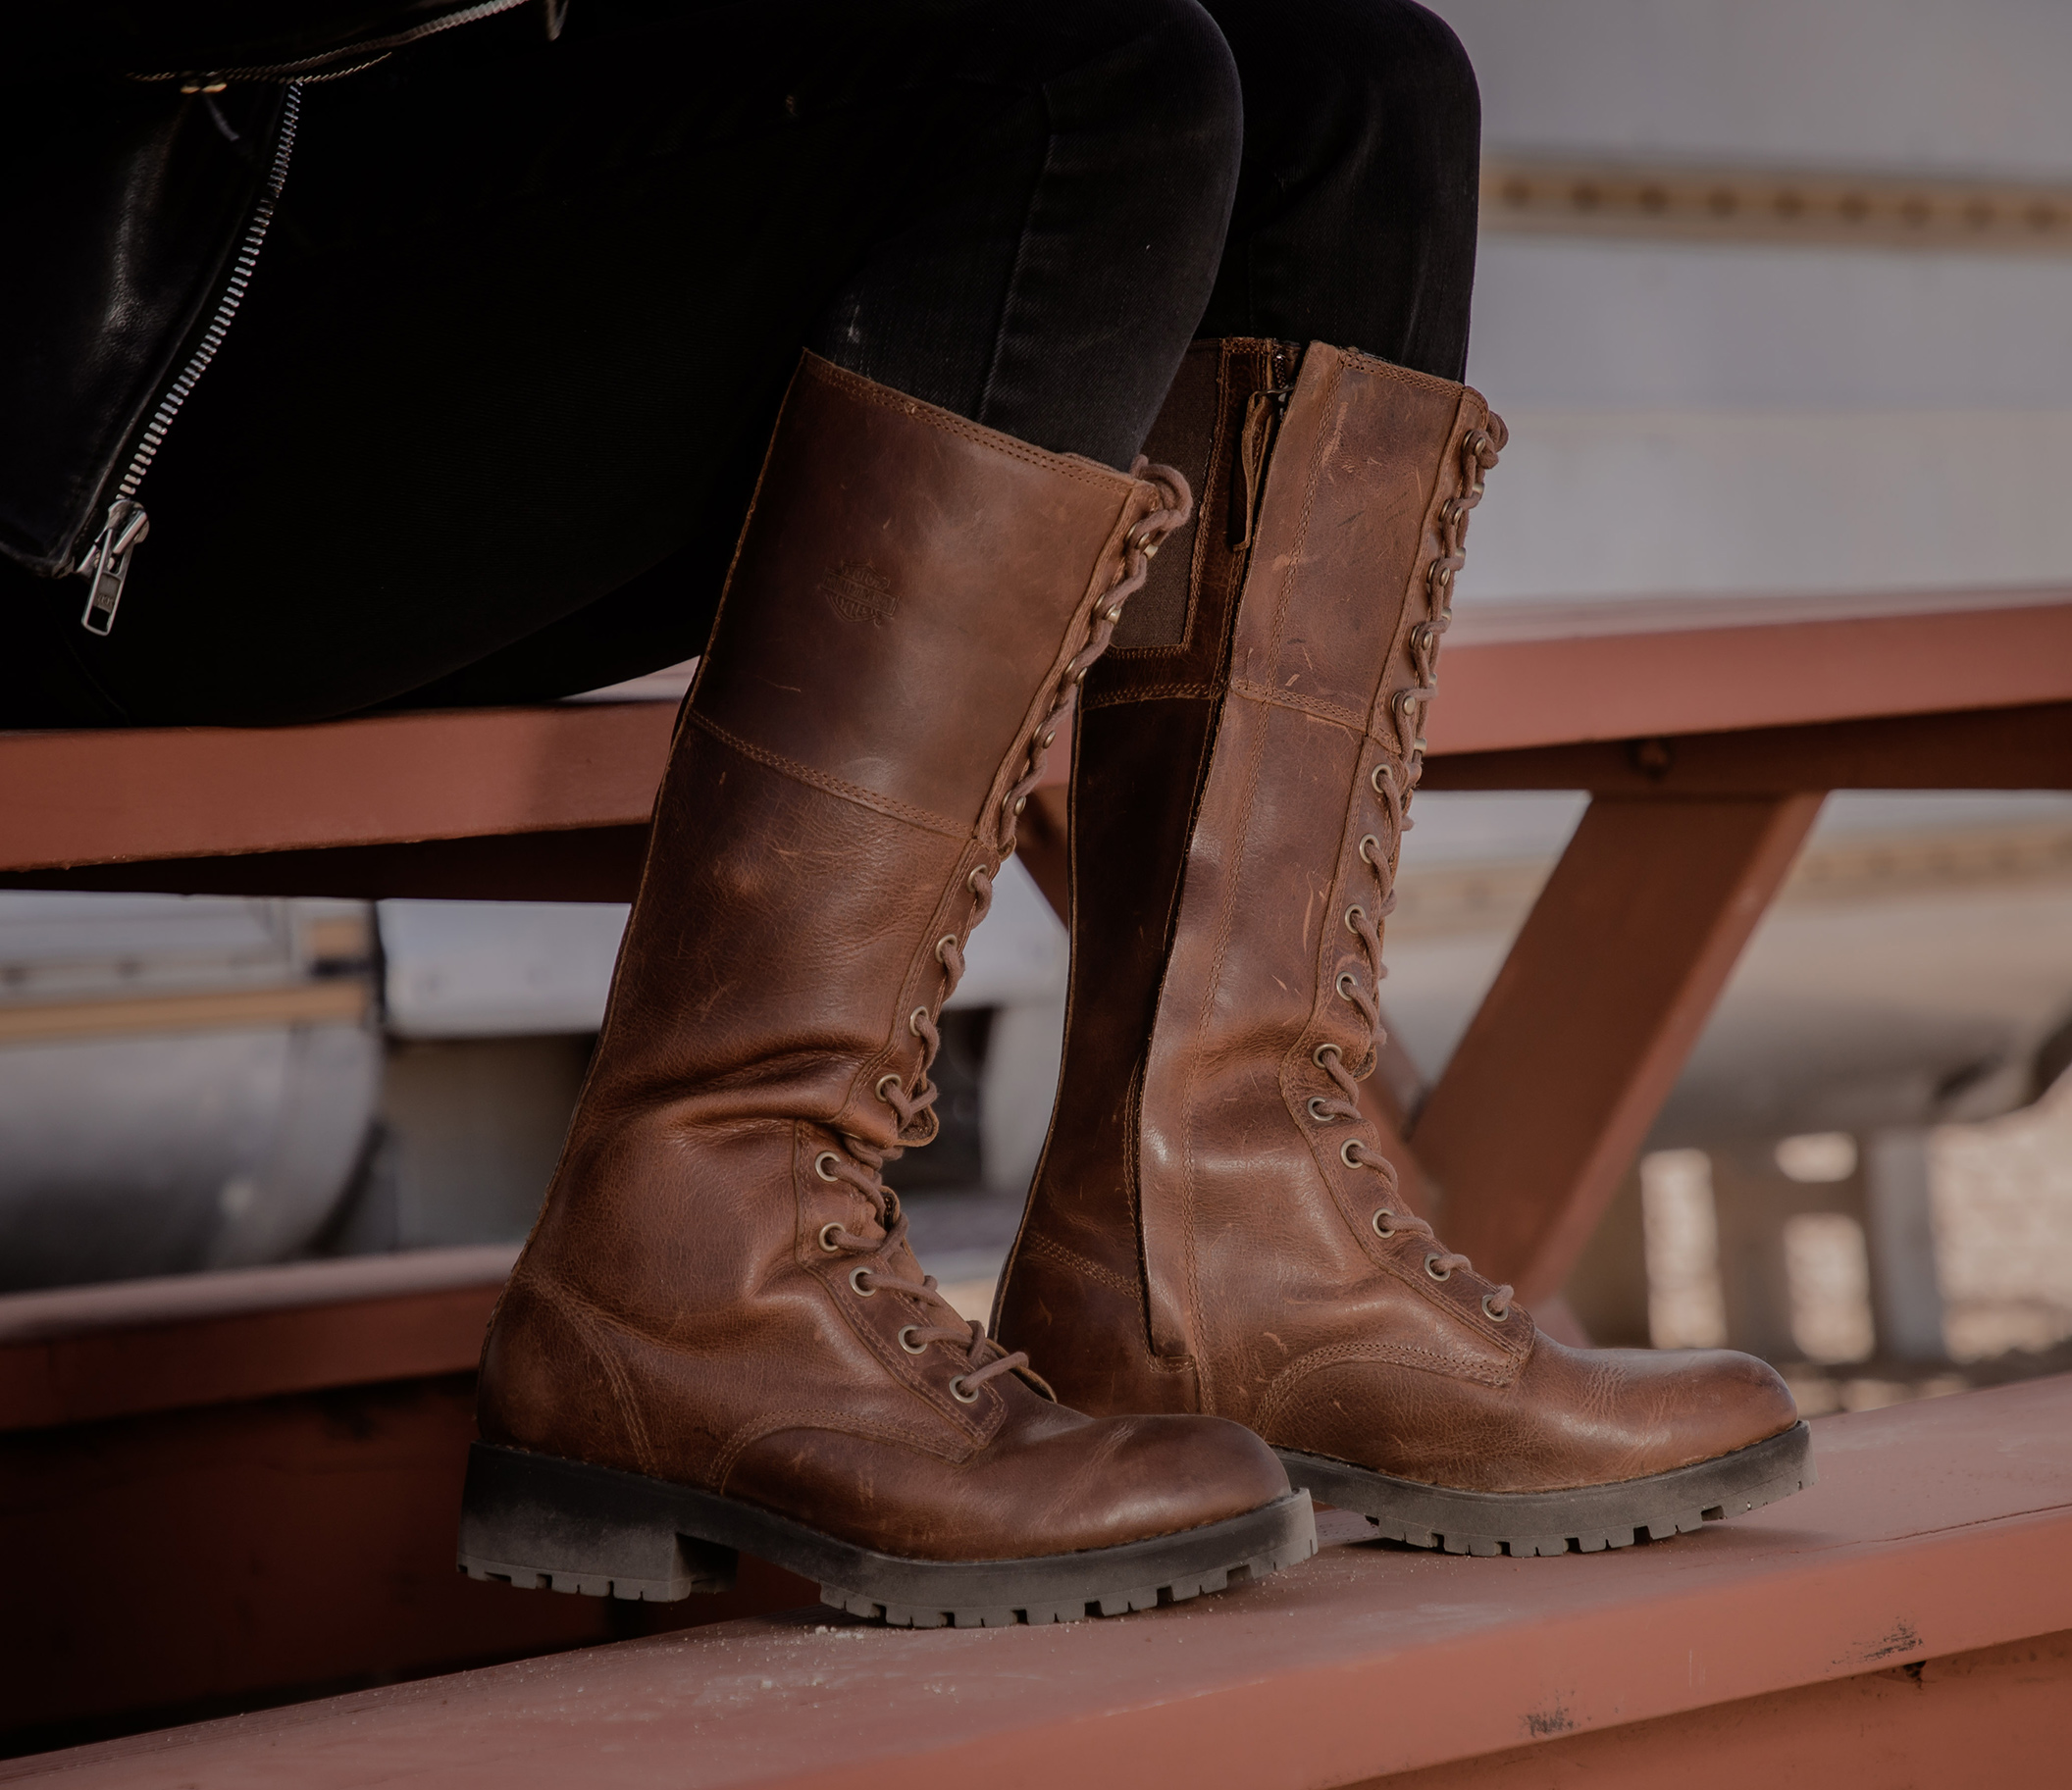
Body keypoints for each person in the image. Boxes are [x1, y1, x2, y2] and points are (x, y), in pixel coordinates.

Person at [4, 0, 1810, 1627]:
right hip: (115, 377)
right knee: (1079, 84)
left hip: (351, 293)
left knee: (1357, 93)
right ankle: (699, 1250)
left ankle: (1217, 1232)